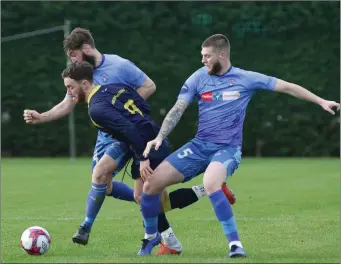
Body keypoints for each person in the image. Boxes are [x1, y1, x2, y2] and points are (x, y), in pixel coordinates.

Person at [23, 28, 236, 254]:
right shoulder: (79, 75)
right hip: (115, 135)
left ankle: (88, 227)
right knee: (129, 193)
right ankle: (184, 221)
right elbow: (69, 102)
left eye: (74, 55)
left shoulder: (118, 65)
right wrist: (42, 117)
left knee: (104, 175)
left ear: (86, 49)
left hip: (132, 136)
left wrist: (126, 115)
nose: (72, 60)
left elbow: (149, 86)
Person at [139, 34, 340, 257]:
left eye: (207, 56)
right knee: (150, 185)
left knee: (211, 182)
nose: (203, 60)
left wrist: (321, 101)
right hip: (199, 146)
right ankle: (153, 237)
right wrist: (160, 136)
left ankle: (235, 245)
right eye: (202, 56)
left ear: (222, 55)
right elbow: (178, 109)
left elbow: (288, 87)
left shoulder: (246, 78)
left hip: (227, 149)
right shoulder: (198, 77)